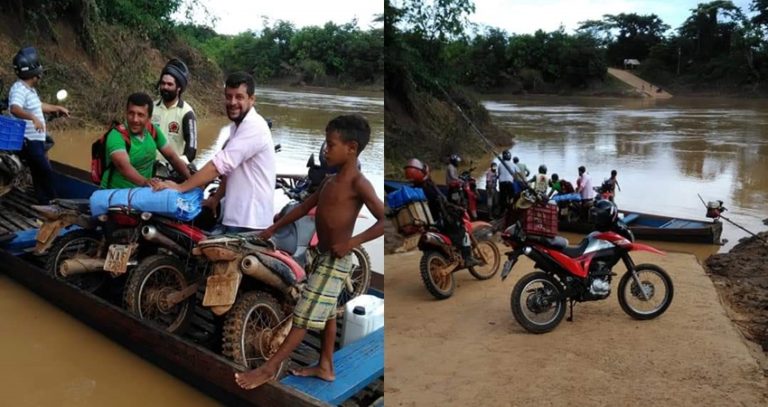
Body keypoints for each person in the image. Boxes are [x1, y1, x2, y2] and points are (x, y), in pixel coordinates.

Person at [233, 114, 384, 390]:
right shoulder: (328, 181)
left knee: (302, 315)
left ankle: (268, 368)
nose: (325, 149)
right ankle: (325, 366)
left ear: (351, 148)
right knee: (326, 315)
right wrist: (271, 229)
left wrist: (352, 242)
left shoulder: (358, 184)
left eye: (331, 144)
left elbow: (384, 220)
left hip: (337, 260)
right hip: (320, 255)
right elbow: (303, 208)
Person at [151, 72, 275, 234]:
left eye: (239, 97)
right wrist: (215, 199)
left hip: (249, 220)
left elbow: (219, 165)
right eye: (228, 96)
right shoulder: (237, 127)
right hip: (237, 216)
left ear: (252, 99)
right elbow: (229, 169)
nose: (232, 102)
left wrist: (181, 187)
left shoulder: (254, 127)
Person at [8, 47, 69, 204]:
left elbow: (39, 105)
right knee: (45, 172)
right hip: (29, 140)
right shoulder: (19, 89)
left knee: (39, 172)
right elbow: (15, 108)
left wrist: (57, 108)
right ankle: (54, 204)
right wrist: (33, 118)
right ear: (34, 72)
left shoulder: (29, 90)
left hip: (36, 140)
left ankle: (43, 203)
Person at [101, 92, 190, 189]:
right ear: (126, 113)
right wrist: (145, 182)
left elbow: (172, 157)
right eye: (131, 113)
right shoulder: (117, 135)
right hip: (115, 194)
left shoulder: (153, 131)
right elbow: (123, 166)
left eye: (140, 115)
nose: (135, 119)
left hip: (142, 192)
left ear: (149, 118)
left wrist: (191, 180)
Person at [403, 158, 479, 267]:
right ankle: (468, 258)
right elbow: (442, 203)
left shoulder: (411, 191)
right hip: (438, 220)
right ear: (422, 172)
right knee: (461, 228)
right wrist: (458, 208)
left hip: (425, 224)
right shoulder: (428, 187)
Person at [152, 58, 197, 165]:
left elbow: (192, 148)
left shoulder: (187, 113)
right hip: (149, 170)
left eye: (169, 84)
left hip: (172, 172)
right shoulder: (151, 108)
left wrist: (178, 165)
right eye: (162, 83)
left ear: (179, 88)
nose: (165, 87)